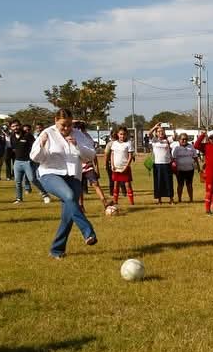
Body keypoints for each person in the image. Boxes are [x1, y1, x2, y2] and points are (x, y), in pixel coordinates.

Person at [30, 108, 98, 259]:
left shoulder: (78, 135)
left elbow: (90, 155)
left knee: (68, 215)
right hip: (50, 174)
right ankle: (87, 230)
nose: (66, 129)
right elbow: (35, 157)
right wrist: (41, 144)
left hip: (73, 176)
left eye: (69, 125)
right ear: (55, 121)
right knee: (69, 195)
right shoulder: (47, 133)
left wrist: (77, 146)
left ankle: (56, 250)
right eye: (63, 125)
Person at [109, 126, 135, 205]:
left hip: (125, 168)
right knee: (116, 185)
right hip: (116, 168)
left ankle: (131, 202)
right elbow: (112, 154)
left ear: (126, 135)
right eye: (120, 134)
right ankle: (115, 201)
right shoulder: (114, 143)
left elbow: (130, 156)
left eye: (124, 134)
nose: (122, 136)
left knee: (128, 185)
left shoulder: (128, 144)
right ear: (117, 134)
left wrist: (126, 167)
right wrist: (112, 165)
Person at [148, 124, 173, 203]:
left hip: (167, 163)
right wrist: (155, 127)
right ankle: (159, 199)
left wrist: (172, 127)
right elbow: (149, 133)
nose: (161, 132)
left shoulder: (168, 140)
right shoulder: (154, 140)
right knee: (158, 182)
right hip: (157, 164)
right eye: (159, 131)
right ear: (156, 133)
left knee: (168, 182)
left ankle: (171, 199)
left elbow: (175, 135)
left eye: (162, 131)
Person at [171, 132, 200, 202]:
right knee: (180, 185)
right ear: (179, 140)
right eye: (183, 139)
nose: (184, 140)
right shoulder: (176, 148)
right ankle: (179, 199)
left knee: (189, 185)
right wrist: (173, 169)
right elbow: (173, 159)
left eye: (186, 139)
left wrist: (198, 166)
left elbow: (195, 157)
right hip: (180, 170)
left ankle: (191, 199)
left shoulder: (191, 147)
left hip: (190, 169)